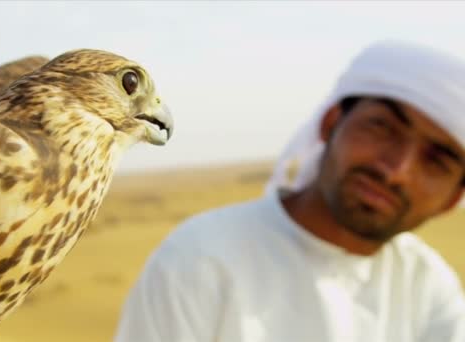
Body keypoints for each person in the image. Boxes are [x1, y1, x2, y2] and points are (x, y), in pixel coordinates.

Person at [114, 40, 465, 342]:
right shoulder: (199, 259)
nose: (397, 171)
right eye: (382, 127)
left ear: (453, 198)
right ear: (331, 124)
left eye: (438, 161)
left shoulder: (431, 288)